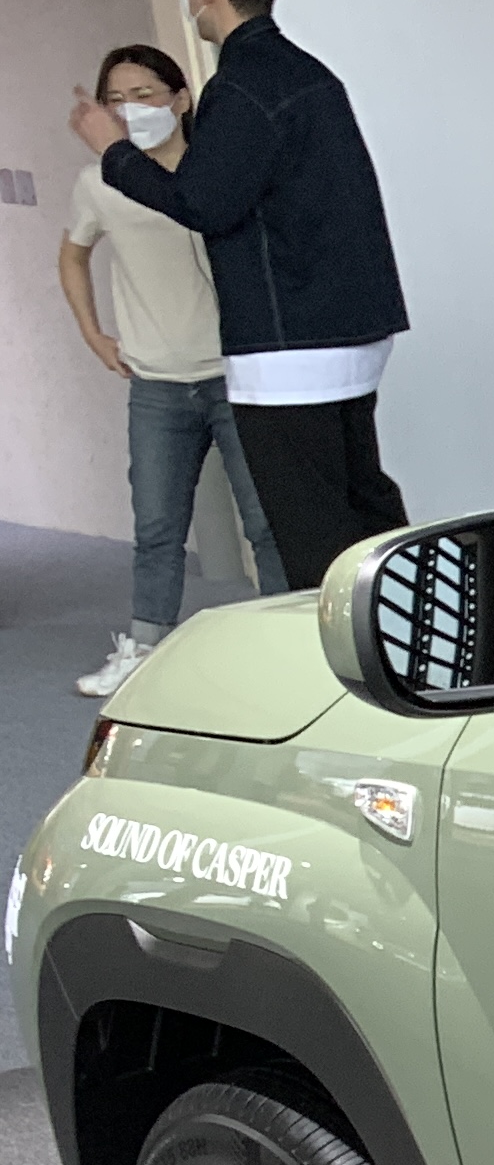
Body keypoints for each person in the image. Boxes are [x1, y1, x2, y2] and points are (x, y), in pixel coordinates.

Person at [64, 0, 410, 595]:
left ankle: (339, 658)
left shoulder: (243, 84)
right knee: (363, 512)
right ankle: (406, 636)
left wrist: (113, 150)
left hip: (290, 349)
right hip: (351, 327)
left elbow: (203, 203)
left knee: (312, 538)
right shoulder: (310, 75)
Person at [55, 44, 291, 696]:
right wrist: (93, 335)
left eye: (145, 94)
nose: (130, 109)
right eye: (116, 99)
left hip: (235, 376)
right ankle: (142, 647)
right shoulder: (98, 182)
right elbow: (72, 254)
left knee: (266, 522)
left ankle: (287, 646)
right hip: (156, 382)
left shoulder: (214, 172)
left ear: (181, 99)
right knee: (157, 527)